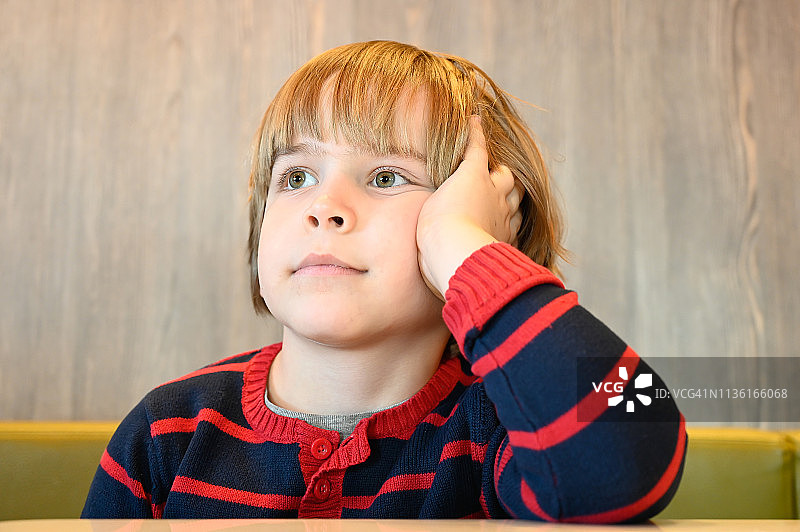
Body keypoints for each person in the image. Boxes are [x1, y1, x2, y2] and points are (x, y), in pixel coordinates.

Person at [82, 40, 686, 521]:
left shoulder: (499, 429)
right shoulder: (168, 432)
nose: (324, 206)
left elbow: (626, 459)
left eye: (389, 176)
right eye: (296, 178)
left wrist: (464, 248)